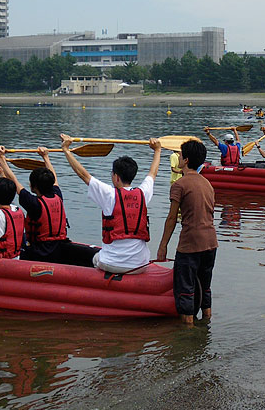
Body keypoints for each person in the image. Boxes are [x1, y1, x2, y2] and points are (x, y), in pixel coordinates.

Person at [60, 133, 162, 274]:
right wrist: (157, 150)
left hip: (112, 264)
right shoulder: (143, 193)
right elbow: (153, 173)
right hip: (140, 264)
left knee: (95, 258)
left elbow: (83, 175)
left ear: (116, 177)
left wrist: (66, 150)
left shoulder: (109, 194)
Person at [1, 148, 98, 267]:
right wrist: (45, 157)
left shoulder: (34, 204)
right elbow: (55, 179)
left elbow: (14, 181)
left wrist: (1, 159)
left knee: (18, 241)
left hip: (39, 252)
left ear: (33, 186)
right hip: (60, 245)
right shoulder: (57, 195)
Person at [156, 139, 217, 324]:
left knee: (186, 290)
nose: (178, 158)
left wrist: (162, 246)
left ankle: (187, 337)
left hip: (190, 244)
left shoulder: (180, 185)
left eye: (180, 155)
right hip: (211, 242)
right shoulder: (207, 183)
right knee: (205, 287)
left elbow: (172, 218)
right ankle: (206, 324)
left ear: (186, 160)